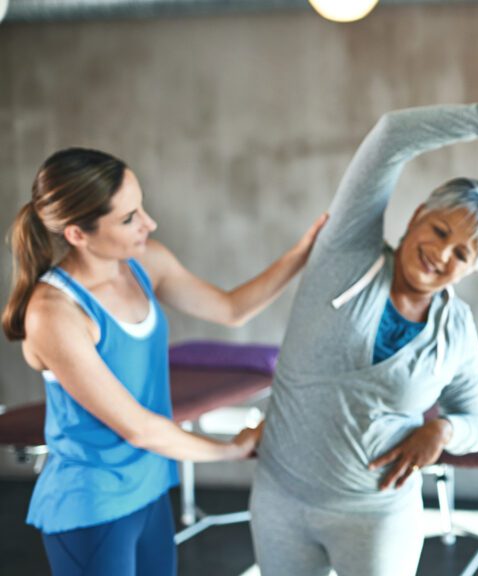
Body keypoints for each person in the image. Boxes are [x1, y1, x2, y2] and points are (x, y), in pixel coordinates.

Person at [249, 103, 478, 576]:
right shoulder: (345, 257)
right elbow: (390, 136)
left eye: (462, 252)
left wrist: (441, 430)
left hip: (376, 514)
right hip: (279, 500)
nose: (441, 253)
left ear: (473, 268)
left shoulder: (454, 327)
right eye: (440, 229)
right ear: (418, 215)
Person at [1, 147, 327, 576]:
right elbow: (139, 428)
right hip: (93, 504)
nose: (148, 224)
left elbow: (231, 309)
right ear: (78, 234)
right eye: (128, 218)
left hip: (150, 487)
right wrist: (231, 449)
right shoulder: (55, 312)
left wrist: (303, 253)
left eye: (141, 208)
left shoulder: (144, 261)